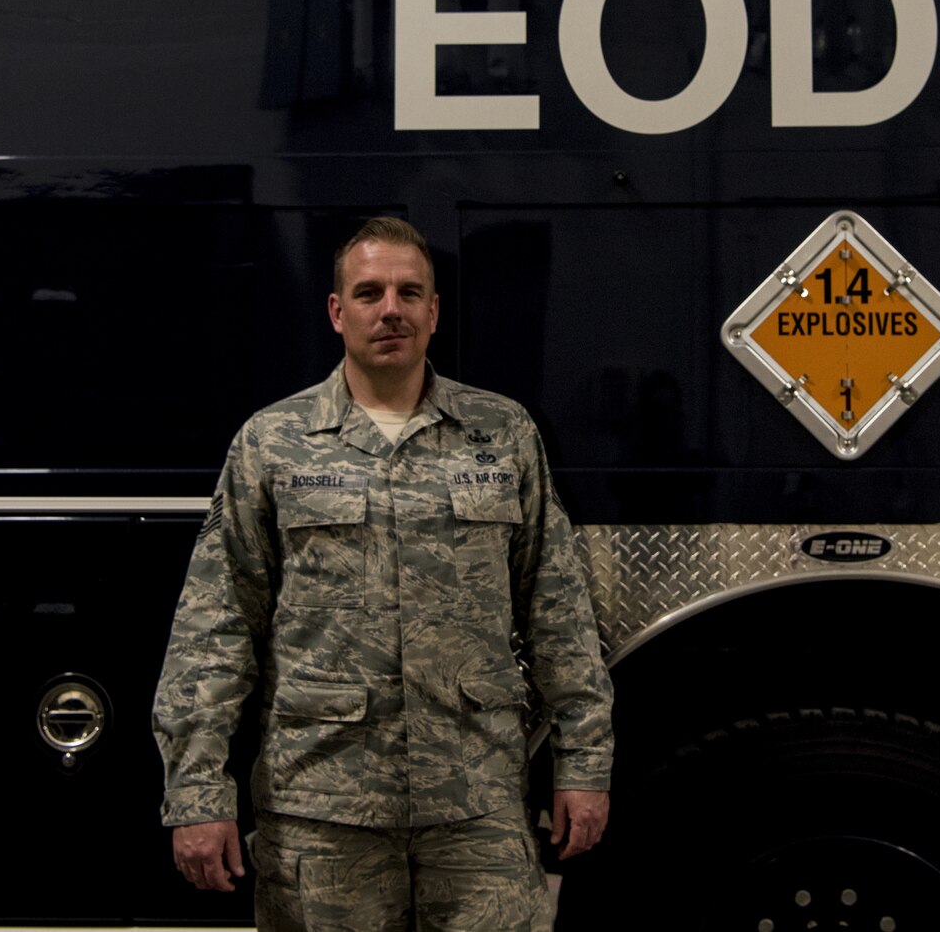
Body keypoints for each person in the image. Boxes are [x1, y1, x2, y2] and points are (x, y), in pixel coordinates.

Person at [153, 216, 613, 931]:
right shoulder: (272, 441)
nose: (390, 308)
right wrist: (196, 793)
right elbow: (216, 626)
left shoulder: (503, 433)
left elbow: (557, 608)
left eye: (409, 291)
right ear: (338, 312)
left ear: (435, 310)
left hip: (477, 805)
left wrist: (583, 764)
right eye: (369, 292)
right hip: (321, 813)